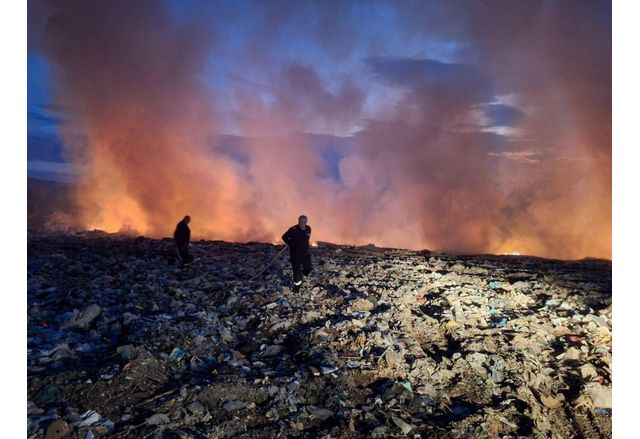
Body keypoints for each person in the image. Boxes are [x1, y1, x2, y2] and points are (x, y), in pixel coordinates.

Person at [282, 215, 312, 288]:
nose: (302, 223)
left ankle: (303, 274)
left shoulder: (308, 228)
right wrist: (291, 243)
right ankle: (297, 286)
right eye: (301, 221)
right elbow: (284, 237)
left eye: (304, 222)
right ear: (298, 221)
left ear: (306, 222)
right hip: (295, 254)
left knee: (308, 268)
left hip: (305, 253)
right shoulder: (293, 229)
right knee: (296, 270)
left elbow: (307, 238)